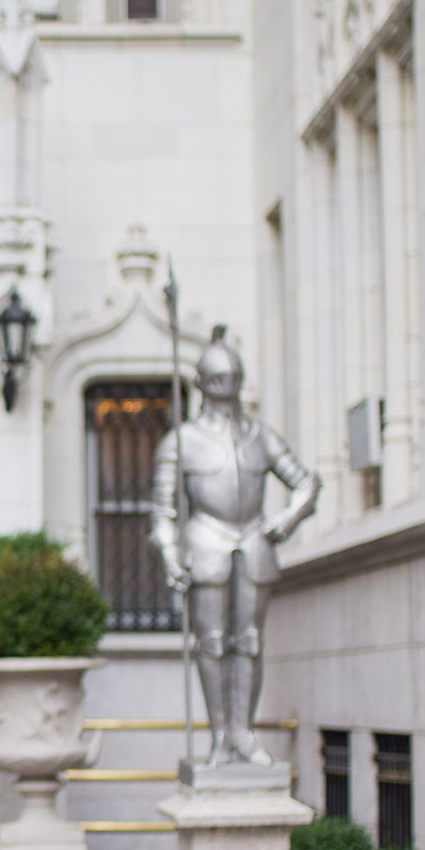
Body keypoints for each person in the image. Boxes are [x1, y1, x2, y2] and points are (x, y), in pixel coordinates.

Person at [148, 324, 319, 764]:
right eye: (218, 385)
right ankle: (220, 735)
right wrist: (170, 553)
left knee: (249, 640)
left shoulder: (260, 435)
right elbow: (163, 509)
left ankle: (243, 731)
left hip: (255, 540)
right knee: (211, 641)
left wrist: (287, 518)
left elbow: (306, 483)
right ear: (203, 385)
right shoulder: (181, 440)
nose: (225, 395)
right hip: (206, 540)